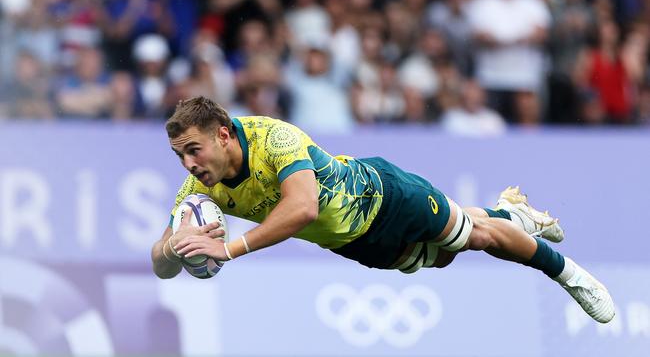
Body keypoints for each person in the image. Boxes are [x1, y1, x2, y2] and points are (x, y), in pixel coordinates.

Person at [151, 96, 615, 324]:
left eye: (194, 150)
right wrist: (175, 247)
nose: (189, 164)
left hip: (385, 195)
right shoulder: (200, 188)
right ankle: (511, 211)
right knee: (449, 253)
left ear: (224, 135)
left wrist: (229, 249)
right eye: (180, 156)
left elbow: (304, 207)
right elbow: (160, 264)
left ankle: (568, 273)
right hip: (354, 241)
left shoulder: (274, 138)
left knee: (479, 238)